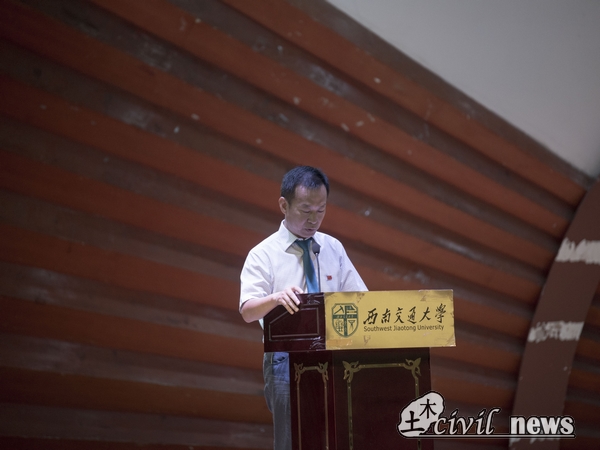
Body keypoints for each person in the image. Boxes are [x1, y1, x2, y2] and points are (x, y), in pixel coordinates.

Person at [239, 166, 367, 450]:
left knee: (338, 437)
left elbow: (362, 299)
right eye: (306, 210)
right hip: (286, 359)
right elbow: (247, 310)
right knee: (293, 440)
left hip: (336, 355)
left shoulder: (332, 248)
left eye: (321, 210)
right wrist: (276, 299)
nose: (314, 219)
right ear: (284, 205)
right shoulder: (263, 254)